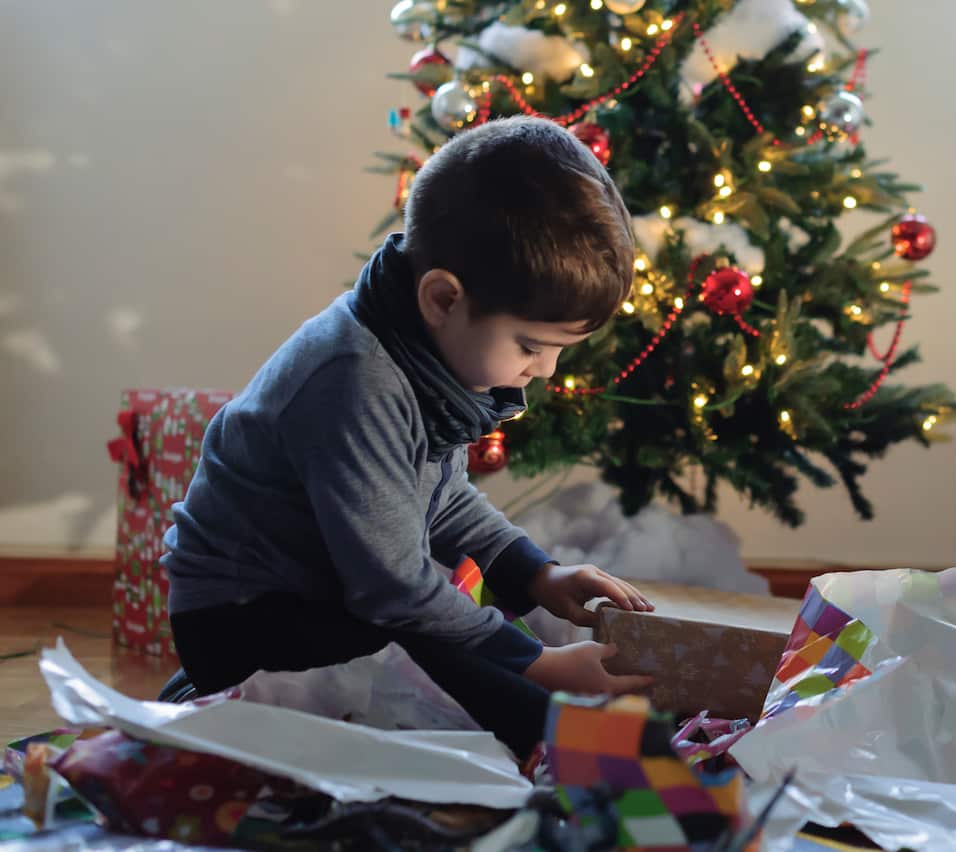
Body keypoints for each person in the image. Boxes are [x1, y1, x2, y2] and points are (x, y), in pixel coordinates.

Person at [161, 116, 653, 759]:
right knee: (429, 623)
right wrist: (539, 665)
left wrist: (539, 576)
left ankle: (549, 729)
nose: (546, 371)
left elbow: (441, 498)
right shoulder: (354, 381)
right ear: (444, 300)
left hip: (323, 589)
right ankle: (558, 742)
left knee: (454, 612)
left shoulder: (420, 353)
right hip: (245, 617)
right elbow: (393, 588)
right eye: (532, 346)